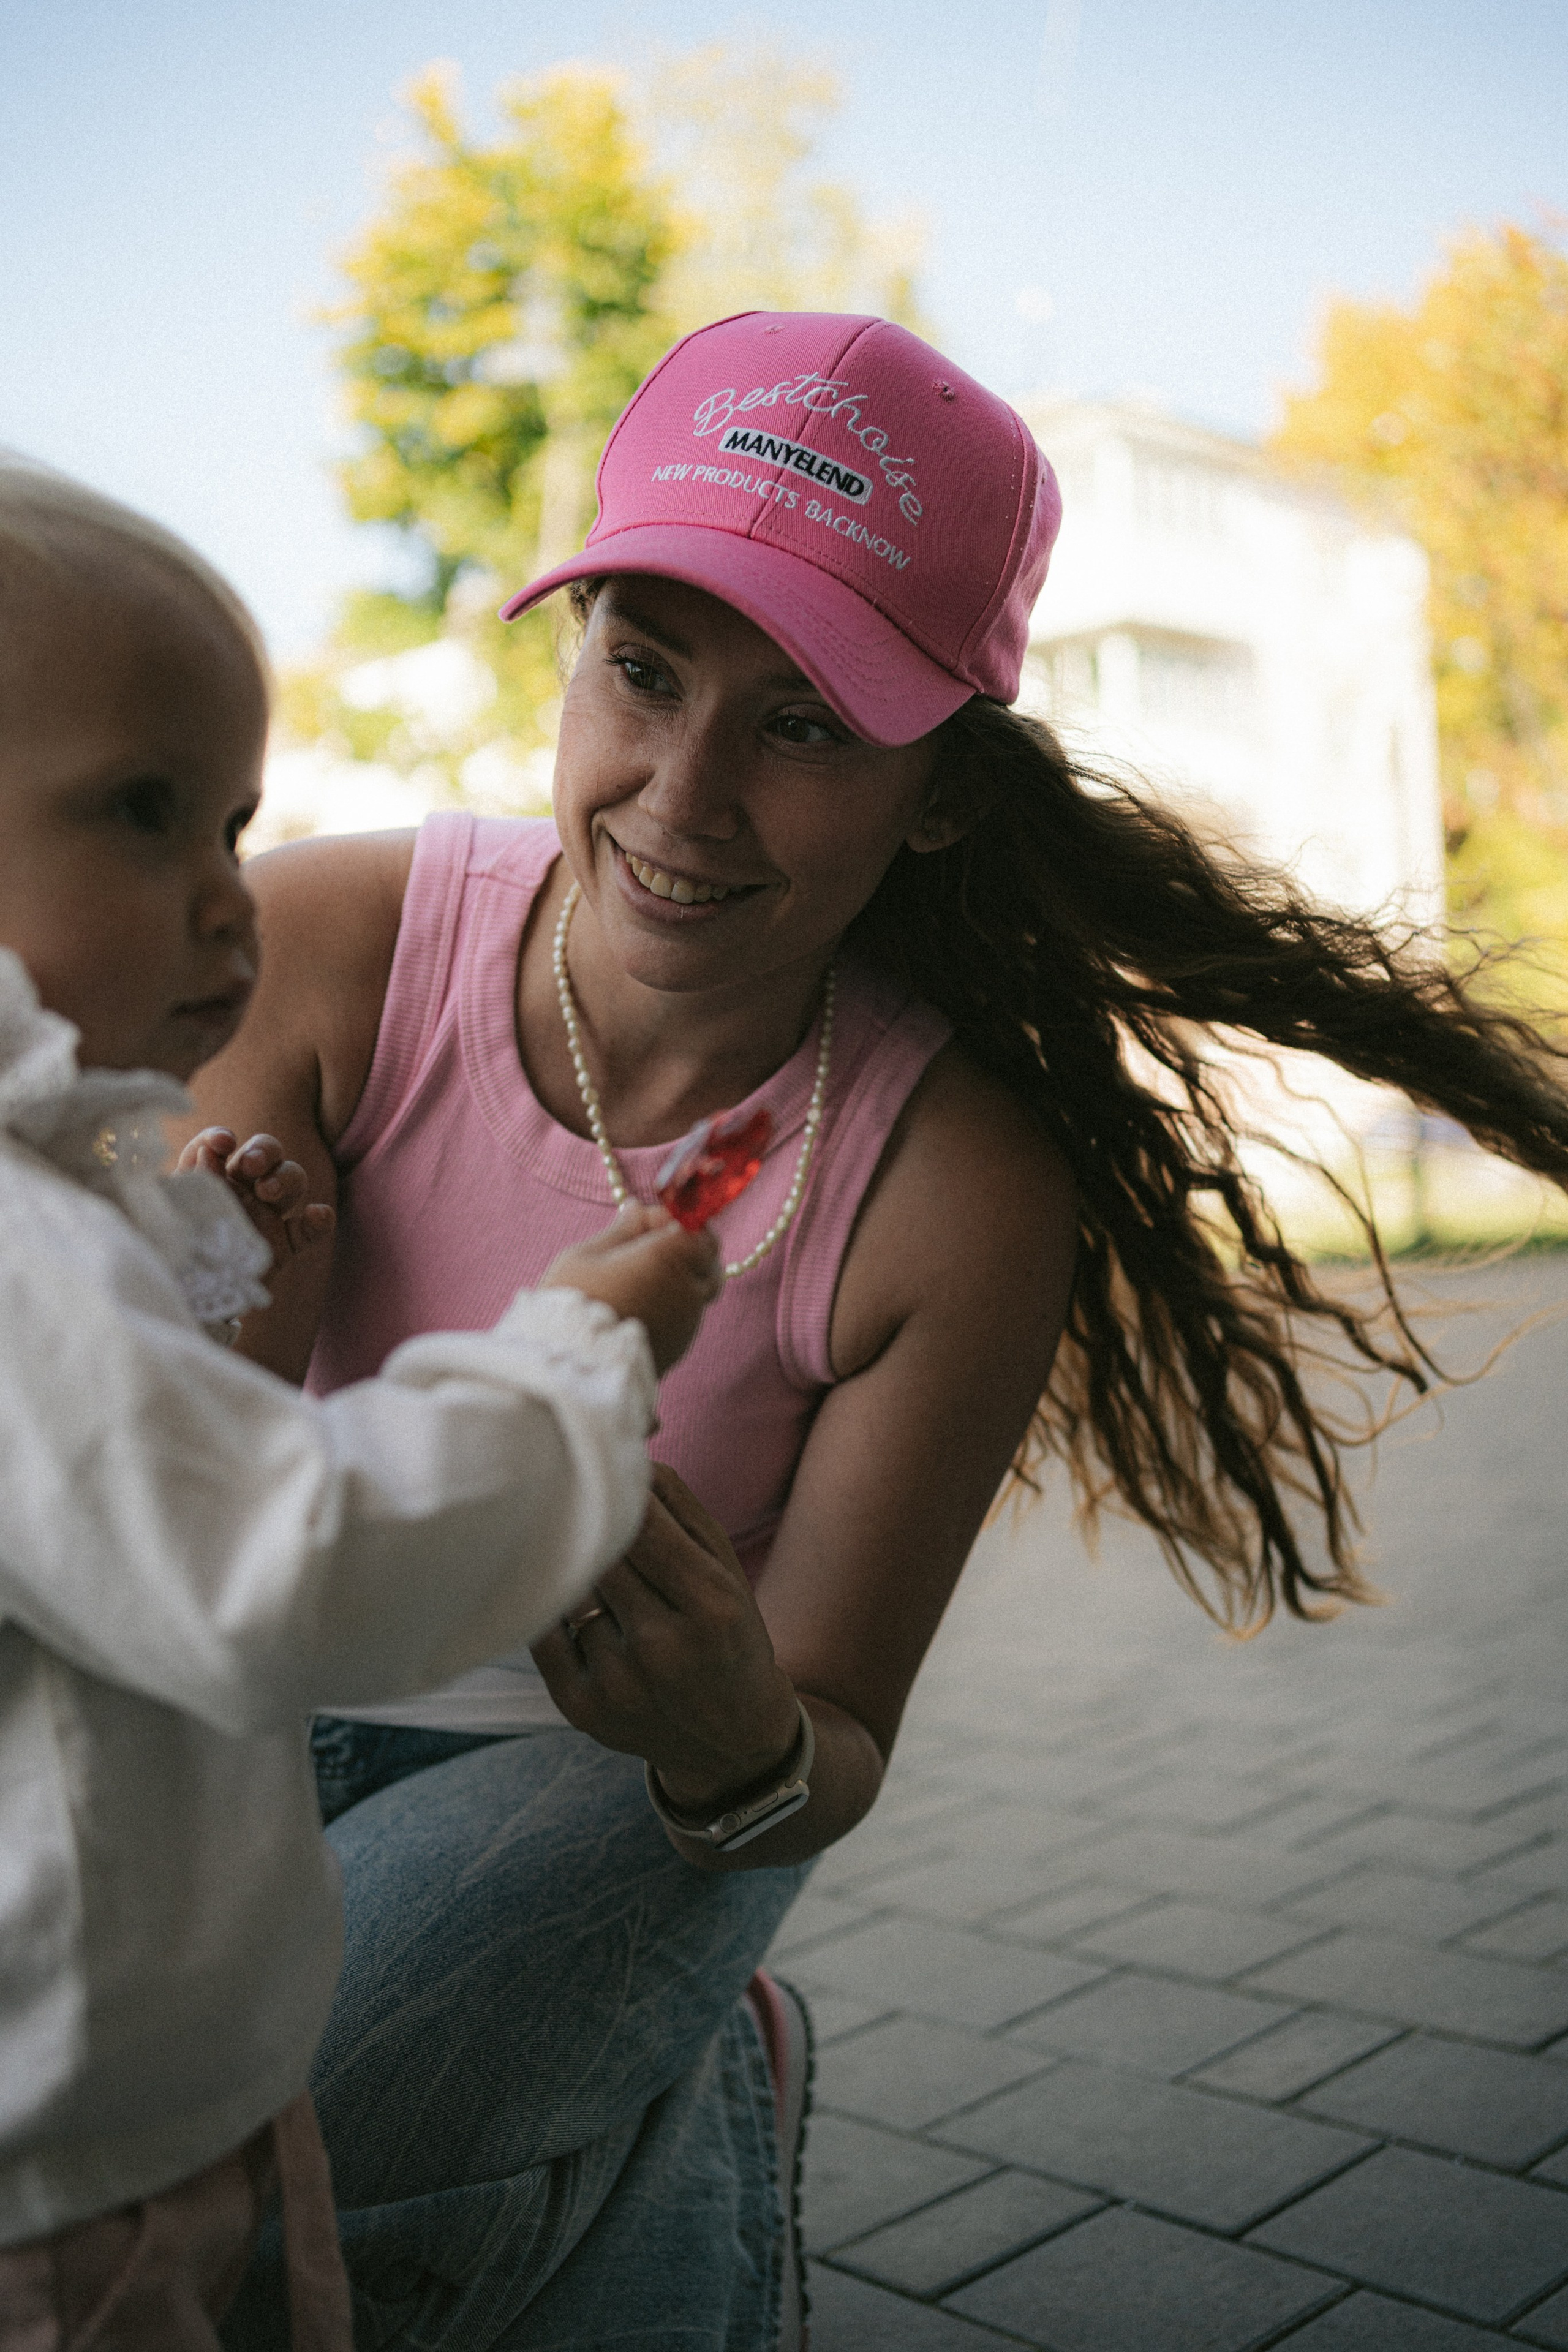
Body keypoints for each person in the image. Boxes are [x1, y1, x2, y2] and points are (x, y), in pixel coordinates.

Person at [195, 312, 1568, 2351]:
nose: (684, 792)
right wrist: (215, 1324)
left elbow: (818, 1756)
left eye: (809, 723)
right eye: (642, 671)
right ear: (570, 665)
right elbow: (156, 1508)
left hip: (602, 1794)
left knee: (246, 2153)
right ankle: (677, 2098)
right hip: (220, 1716)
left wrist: (725, 1721)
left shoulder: (958, 1183)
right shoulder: (330, 938)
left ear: (938, 794)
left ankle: (619, 2038)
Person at [0, 456, 720, 2352]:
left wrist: (188, 1288)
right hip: (85, 2172)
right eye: (143, 814)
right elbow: (280, 1562)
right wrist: (572, 1363)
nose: (228, 907)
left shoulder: (62, 1196)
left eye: (231, 819)